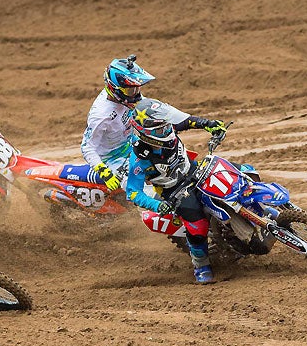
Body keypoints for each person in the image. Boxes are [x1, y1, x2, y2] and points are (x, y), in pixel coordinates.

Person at [80, 54, 225, 191]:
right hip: (112, 159)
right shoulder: (101, 115)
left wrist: (203, 123)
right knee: (143, 188)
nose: (136, 94)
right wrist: (103, 171)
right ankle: (153, 214)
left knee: (172, 155)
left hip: (133, 143)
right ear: (114, 88)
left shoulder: (127, 96)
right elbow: (87, 148)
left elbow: (163, 113)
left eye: (137, 88)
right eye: (131, 90)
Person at [125, 97, 227, 284]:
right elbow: (132, 192)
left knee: (237, 173)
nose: (166, 129)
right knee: (198, 226)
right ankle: (201, 265)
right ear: (145, 132)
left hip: (194, 170)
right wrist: (157, 205)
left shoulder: (168, 129)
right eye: (160, 128)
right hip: (174, 190)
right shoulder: (139, 159)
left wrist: (209, 124)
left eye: (165, 124)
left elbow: (186, 121)